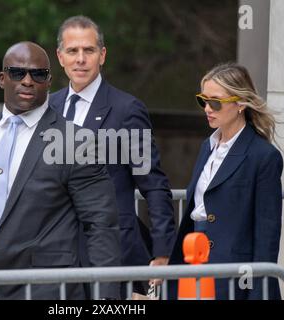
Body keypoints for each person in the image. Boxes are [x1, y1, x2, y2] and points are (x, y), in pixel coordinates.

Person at [0, 41, 121, 299]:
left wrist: (107, 299)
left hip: (43, 289)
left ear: (49, 81)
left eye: (37, 74)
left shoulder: (74, 142)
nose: (28, 81)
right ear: (2, 78)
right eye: (18, 73)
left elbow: (101, 224)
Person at [50, 15, 176, 295]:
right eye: (72, 51)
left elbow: (153, 184)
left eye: (89, 50)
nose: (80, 59)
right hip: (57, 256)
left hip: (111, 255)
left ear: (102, 55)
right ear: (60, 57)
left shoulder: (127, 110)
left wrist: (162, 250)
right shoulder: (48, 108)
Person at [169, 62, 283, 300]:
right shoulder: (207, 147)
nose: (207, 109)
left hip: (233, 274)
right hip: (192, 264)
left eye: (216, 102)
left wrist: (258, 292)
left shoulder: (263, 156)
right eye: (203, 100)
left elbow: (266, 235)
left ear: (240, 103)